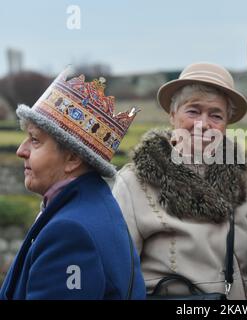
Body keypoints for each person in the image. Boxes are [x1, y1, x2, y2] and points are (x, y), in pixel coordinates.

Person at [112, 62, 247, 299]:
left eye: (216, 115)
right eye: (193, 111)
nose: (204, 123)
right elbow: (119, 275)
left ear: (226, 123)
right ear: (172, 115)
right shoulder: (134, 182)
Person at [0, 69, 146, 299]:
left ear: (72, 158)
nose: (21, 150)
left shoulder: (70, 232)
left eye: (35, 140)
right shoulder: (94, 205)